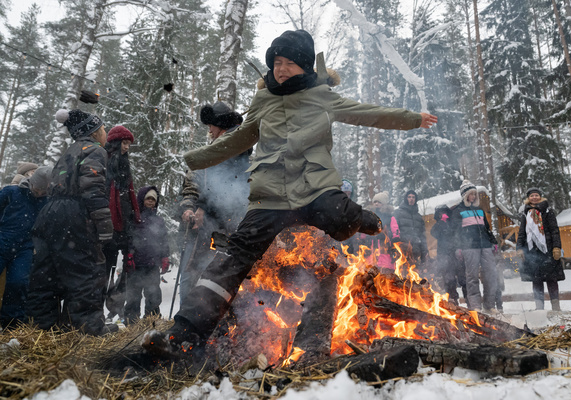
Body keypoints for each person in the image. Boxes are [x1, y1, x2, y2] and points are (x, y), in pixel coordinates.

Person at [143, 29, 437, 357]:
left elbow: (366, 113)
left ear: (305, 67)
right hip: (271, 196)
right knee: (234, 256)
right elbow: (239, 139)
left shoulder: (321, 95)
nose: (281, 69)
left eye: (290, 63)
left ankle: (360, 217)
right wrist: (198, 159)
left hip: (313, 189)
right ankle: (185, 333)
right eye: (277, 62)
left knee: (338, 215)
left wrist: (413, 119)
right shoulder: (263, 99)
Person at [27, 109, 117, 335]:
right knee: (84, 272)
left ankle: (43, 329)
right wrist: (105, 227)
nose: (105, 133)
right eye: (103, 129)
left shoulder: (69, 151)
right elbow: (93, 188)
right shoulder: (96, 150)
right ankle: (88, 329)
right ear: (95, 132)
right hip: (74, 214)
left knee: (46, 274)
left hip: (49, 213)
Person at [177, 101, 250, 306]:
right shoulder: (213, 150)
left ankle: (198, 318)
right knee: (192, 270)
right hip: (204, 225)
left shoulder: (235, 147)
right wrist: (188, 208)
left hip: (224, 226)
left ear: (220, 124)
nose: (208, 129)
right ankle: (186, 318)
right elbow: (192, 186)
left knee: (211, 273)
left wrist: (203, 208)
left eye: (211, 125)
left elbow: (225, 188)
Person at [0, 166, 51, 328]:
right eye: (37, 189)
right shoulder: (11, 192)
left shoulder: (47, 202)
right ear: (31, 182)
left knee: (19, 283)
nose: (39, 193)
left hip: (25, 248)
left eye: (44, 190)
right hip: (2, 240)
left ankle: (11, 324)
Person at [103, 125, 141, 321]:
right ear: (116, 142)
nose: (126, 147)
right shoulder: (105, 160)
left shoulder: (125, 164)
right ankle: (95, 315)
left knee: (121, 274)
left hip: (124, 228)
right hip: (107, 227)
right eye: (124, 143)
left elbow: (129, 194)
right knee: (103, 272)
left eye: (128, 144)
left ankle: (113, 312)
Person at [123, 186, 170, 324]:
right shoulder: (134, 218)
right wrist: (129, 255)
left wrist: (165, 257)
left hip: (152, 264)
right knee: (133, 295)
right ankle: (131, 322)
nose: (151, 202)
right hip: (135, 265)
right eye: (148, 198)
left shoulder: (159, 221)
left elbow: (163, 240)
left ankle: (152, 321)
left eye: (153, 200)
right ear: (142, 199)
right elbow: (129, 237)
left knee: (153, 294)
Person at [451, 180, 498, 313]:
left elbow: (487, 228)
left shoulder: (480, 210)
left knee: (491, 274)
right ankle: (475, 305)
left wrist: (493, 242)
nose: (474, 196)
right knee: (472, 276)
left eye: (475, 194)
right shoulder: (458, 211)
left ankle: (489, 305)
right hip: (469, 247)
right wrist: (458, 247)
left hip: (485, 245)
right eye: (471, 194)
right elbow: (456, 232)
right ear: (465, 195)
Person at [516, 187, 564, 311]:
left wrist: (557, 247)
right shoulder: (525, 213)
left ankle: (556, 307)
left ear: (540, 197)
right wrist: (519, 248)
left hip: (548, 250)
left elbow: (554, 230)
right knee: (536, 280)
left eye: (537, 195)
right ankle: (539, 308)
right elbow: (522, 232)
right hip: (532, 251)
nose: (534, 197)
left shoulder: (548, 211)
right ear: (528, 198)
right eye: (532, 196)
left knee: (551, 279)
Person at [430, 204, 466, 306]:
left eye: (445, 212)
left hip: (455, 254)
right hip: (444, 255)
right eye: (441, 213)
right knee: (449, 279)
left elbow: (458, 235)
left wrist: (459, 248)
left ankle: (469, 301)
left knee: (463, 278)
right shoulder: (437, 225)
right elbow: (434, 233)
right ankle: (453, 300)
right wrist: (441, 222)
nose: (443, 214)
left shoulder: (453, 224)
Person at [391, 190, 428, 266]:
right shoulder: (398, 213)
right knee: (402, 275)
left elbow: (423, 236)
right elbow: (394, 228)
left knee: (415, 274)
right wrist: (396, 242)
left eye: (413, 197)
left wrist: (424, 252)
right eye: (409, 197)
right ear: (406, 198)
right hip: (403, 248)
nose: (411, 199)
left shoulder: (419, 217)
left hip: (416, 250)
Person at [364, 191, 394, 269]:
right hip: (371, 244)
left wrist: (391, 237)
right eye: (375, 202)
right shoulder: (369, 215)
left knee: (385, 268)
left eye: (379, 202)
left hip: (384, 245)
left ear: (384, 204)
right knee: (370, 269)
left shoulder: (389, 216)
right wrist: (363, 237)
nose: (376, 204)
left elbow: (394, 229)